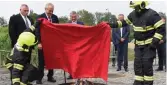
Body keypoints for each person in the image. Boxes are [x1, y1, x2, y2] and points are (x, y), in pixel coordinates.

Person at [109, 1, 165, 85]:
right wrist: (112, 24)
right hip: (138, 46)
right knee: (137, 66)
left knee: (146, 66)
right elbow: (124, 22)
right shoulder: (133, 14)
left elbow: (161, 28)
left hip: (149, 46)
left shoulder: (152, 14)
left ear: (142, 5)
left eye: (136, 7)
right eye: (134, 7)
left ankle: (148, 83)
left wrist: (154, 41)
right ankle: (138, 83)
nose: (135, 9)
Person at [35, 3, 59, 84]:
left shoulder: (55, 17)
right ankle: (39, 78)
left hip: (52, 44)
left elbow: (57, 30)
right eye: (49, 11)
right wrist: (39, 42)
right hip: (42, 43)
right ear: (45, 9)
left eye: (52, 11)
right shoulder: (40, 17)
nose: (51, 12)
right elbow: (37, 30)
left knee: (51, 60)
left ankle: (50, 76)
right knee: (41, 61)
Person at [67, 11, 84, 79]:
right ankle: (71, 74)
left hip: (79, 44)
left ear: (77, 16)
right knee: (70, 60)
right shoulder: (67, 23)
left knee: (78, 59)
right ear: (70, 17)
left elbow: (84, 33)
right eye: (72, 17)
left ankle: (78, 74)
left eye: (74, 17)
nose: (73, 18)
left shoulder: (81, 23)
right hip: (70, 45)